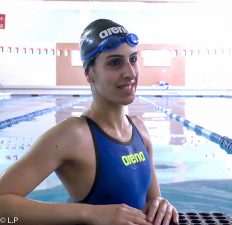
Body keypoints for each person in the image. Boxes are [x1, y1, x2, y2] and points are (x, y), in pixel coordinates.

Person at [0, 19, 179, 225]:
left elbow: (153, 200)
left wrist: (162, 205)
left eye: (133, 59)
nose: (130, 73)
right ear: (89, 74)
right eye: (114, 62)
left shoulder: (140, 129)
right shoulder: (73, 135)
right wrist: (91, 213)